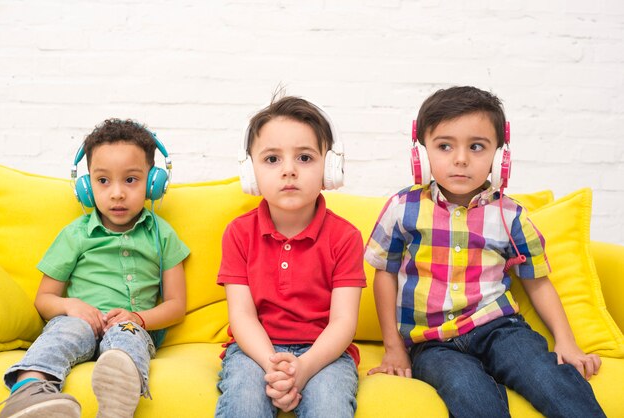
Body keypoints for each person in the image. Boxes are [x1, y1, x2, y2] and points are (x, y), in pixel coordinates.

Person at [365, 86, 605, 417]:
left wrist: (566, 341)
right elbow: (385, 273)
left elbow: (537, 281)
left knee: (547, 377)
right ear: (421, 155)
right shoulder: (403, 208)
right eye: (445, 146)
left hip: (499, 328)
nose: (461, 159)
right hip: (433, 344)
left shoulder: (510, 215)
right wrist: (393, 347)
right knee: (469, 393)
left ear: (499, 158)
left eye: (477, 147)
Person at [0, 119, 190, 418]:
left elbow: (177, 305)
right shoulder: (75, 234)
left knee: (127, 341)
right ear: (86, 187)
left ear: (154, 182)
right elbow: (44, 299)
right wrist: (71, 306)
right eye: (103, 181)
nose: (116, 193)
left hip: (130, 325)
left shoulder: (162, 235)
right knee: (63, 334)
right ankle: (29, 393)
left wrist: (138, 318)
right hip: (80, 320)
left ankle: (117, 404)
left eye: (130, 180)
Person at [215, 95, 366, 418]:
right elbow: (242, 316)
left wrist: (304, 367)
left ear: (330, 168)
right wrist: (275, 366)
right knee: (244, 405)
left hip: (325, 353)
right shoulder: (238, 234)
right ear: (250, 171)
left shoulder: (346, 237)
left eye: (305, 158)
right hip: (254, 350)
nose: (288, 171)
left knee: (330, 408)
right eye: (272, 159)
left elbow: (343, 321)